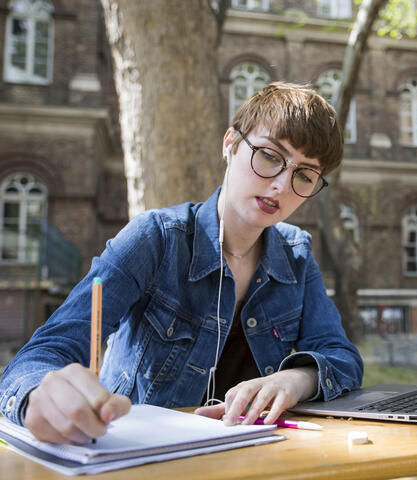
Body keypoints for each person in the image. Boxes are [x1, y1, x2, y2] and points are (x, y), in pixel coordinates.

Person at [0, 82, 363, 444]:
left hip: (251, 460)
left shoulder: (296, 255)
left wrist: (296, 379)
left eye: (304, 175)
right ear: (230, 144)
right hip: (137, 460)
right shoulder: (155, 238)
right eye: (269, 156)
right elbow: (47, 351)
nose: (282, 186)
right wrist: (37, 396)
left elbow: (342, 357)